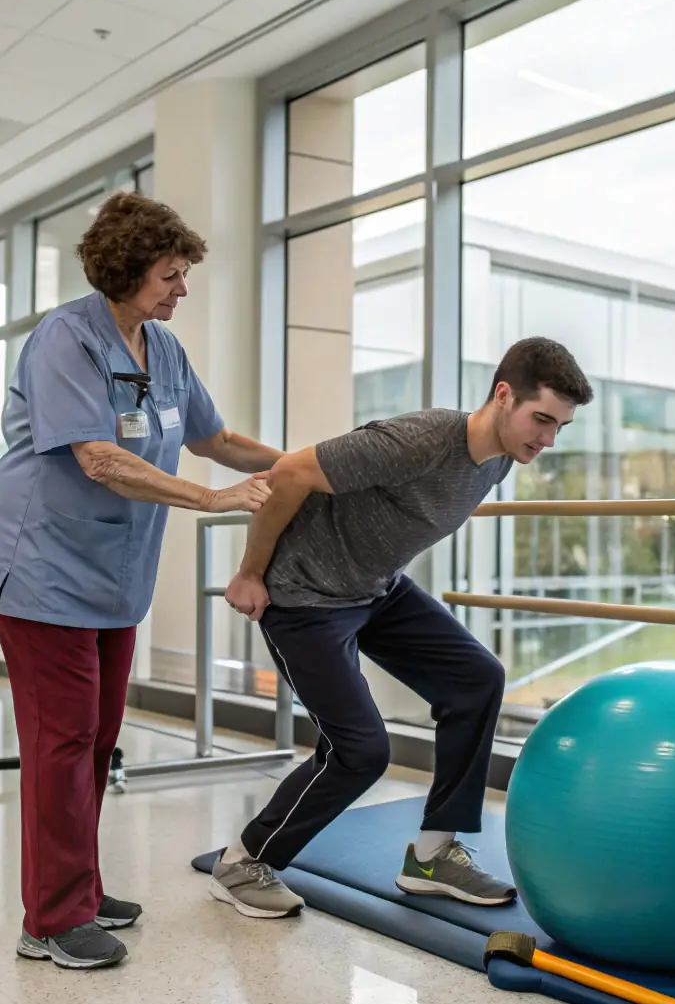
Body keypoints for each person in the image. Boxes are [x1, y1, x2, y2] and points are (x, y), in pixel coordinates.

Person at [0, 192, 282, 968]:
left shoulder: (162, 349)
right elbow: (98, 457)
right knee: (62, 743)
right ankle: (49, 918)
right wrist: (211, 500)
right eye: (172, 275)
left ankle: (76, 889)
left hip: (113, 578)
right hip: (43, 571)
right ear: (128, 271)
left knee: (97, 740)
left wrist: (301, 466)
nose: (182, 289)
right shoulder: (63, 340)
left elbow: (214, 437)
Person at [214, 337, 593, 918]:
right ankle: (244, 860)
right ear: (502, 396)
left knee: (477, 678)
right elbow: (290, 473)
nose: (545, 441)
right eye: (541, 419)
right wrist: (250, 572)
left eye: (558, 428)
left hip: (375, 589)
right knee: (361, 751)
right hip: (305, 597)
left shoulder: (497, 461)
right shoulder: (419, 439)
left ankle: (433, 855)